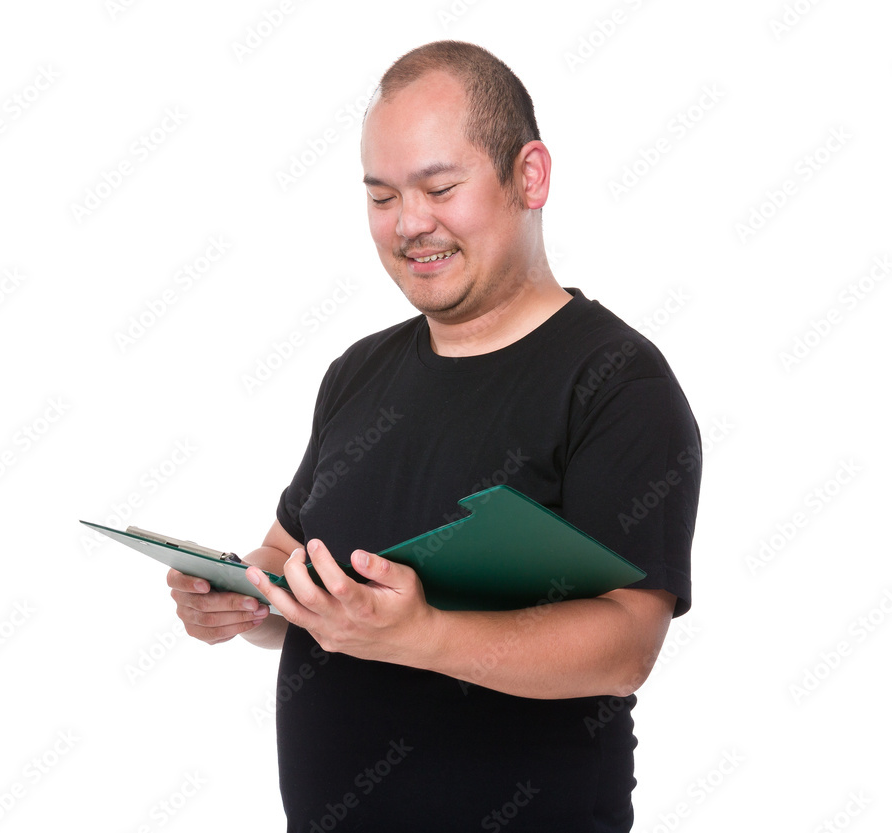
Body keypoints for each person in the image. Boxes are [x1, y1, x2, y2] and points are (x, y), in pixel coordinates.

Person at [168, 40, 700, 831]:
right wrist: (243, 597)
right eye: (381, 197)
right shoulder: (357, 373)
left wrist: (424, 635)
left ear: (530, 176)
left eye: (439, 187)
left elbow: (628, 642)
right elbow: (288, 557)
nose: (410, 223)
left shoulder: (616, 380)